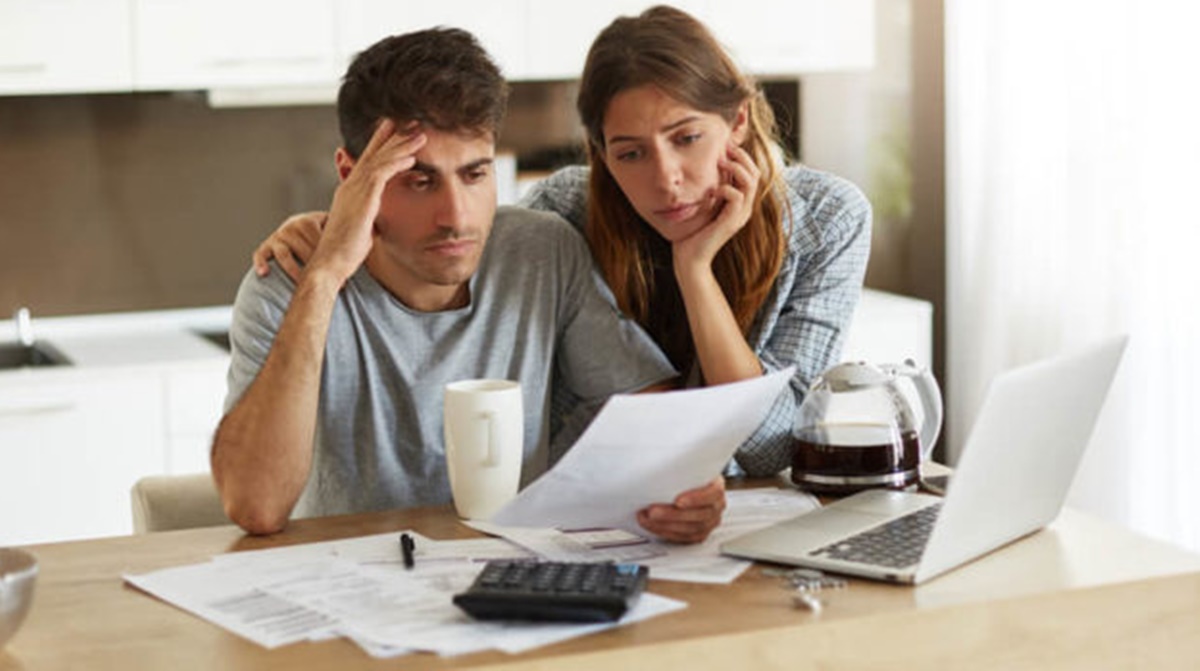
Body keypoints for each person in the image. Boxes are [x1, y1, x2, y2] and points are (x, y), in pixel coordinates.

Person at [253, 6, 872, 479]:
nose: (665, 180)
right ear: (600, 153)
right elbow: (450, 241)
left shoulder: (828, 221)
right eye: (629, 153)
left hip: (727, 513)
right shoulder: (568, 211)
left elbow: (767, 449)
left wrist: (695, 270)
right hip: (597, 514)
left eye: (687, 138)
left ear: (735, 120)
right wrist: (330, 231)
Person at [212, 26, 727, 543]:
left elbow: (656, 422)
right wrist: (324, 279)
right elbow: (256, 506)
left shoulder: (541, 253)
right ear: (351, 176)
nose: (456, 217)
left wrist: (686, 489)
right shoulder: (291, 281)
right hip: (344, 587)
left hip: (510, 579)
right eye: (419, 180)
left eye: (475, 175)